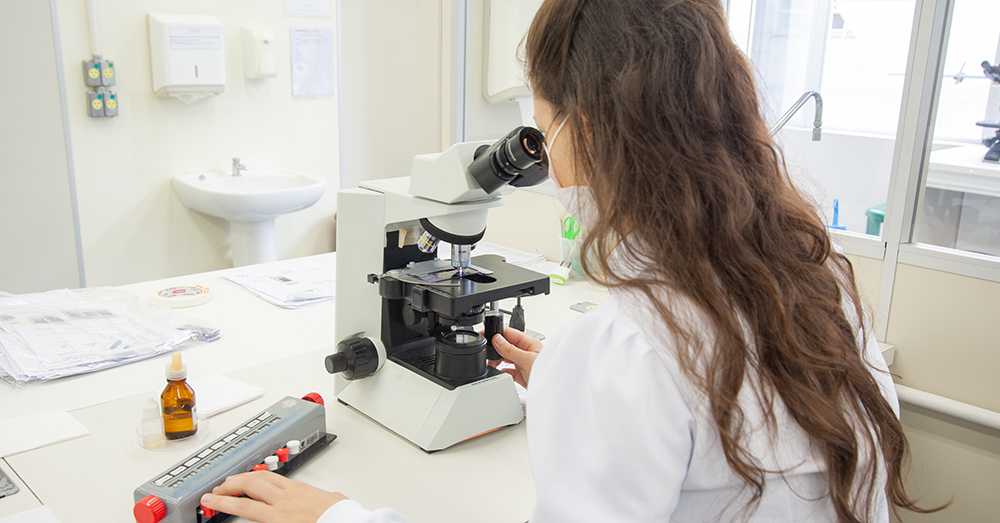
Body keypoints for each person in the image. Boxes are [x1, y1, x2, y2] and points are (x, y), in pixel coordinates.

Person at [201, 1, 940, 521]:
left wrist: (342, 519)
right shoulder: (816, 282)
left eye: (543, 127)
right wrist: (570, 376)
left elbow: (652, 385)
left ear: (582, 128)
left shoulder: (629, 347)